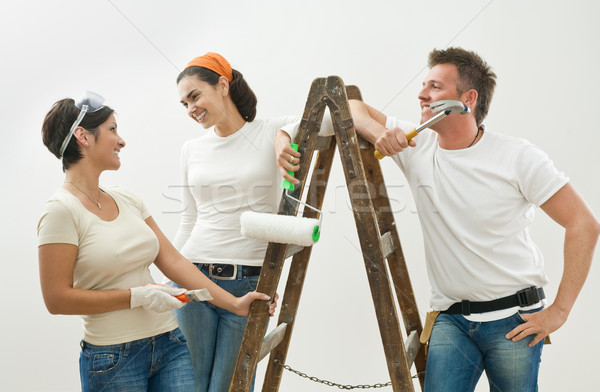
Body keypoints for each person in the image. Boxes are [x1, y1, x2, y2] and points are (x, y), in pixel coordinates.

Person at [282, 47, 600, 391]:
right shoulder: (418, 145)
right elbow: (349, 105)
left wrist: (560, 311)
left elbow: (583, 224)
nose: (421, 94)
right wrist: (377, 132)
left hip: (514, 320)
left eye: (434, 87)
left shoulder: (518, 156)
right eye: (423, 85)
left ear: (468, 98)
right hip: (451, 321)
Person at [38, 91, 276, 392]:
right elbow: (56, 299)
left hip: (170, 344)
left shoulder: (127, 198)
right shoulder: (61, 211)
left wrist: (235, 304)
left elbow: (173, 260)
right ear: (83, 137)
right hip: (112, 358)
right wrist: (135, 297)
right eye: (112, 130)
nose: (121, 141)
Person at [171, 52, 300, 392]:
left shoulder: (270, 130)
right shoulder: (191, 149)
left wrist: (282, 137)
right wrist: (169, 278)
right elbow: (189, 219)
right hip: (193, 280)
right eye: (184, 103)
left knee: (230, 388)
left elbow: (323, 117)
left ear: (223, 85)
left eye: (195, 96)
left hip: (248, 284)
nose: (190, 109)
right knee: (190, 386)